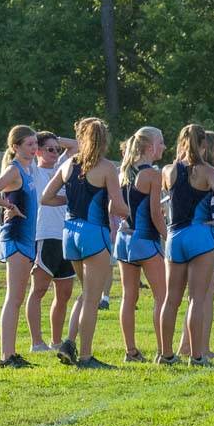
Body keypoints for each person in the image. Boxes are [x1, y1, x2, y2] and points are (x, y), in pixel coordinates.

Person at [41, 118, 128, 369]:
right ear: (104, 140)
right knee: (93, 297)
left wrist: (68, 203)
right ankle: (86, 357)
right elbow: (118, 206)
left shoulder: (68, 163)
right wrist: (130, 210)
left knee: (85, 292)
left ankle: (68, 342)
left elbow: (47, 197)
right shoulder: (106, 167)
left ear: (81, 137)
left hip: (70, 232)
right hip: (94, 233)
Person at [159, 124, 214, 366]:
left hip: (174, 238)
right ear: (203, 145)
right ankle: (197, 356)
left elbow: (166, 201)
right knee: (196, 300)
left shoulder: (168, 170)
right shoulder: (207, 171)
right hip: (200, 235)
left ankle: (166, 354)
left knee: (171, 299)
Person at [0, 125, 41, 368]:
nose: (34, 148)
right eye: (29, 144)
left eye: (36, 143)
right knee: (14, 298)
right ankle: (6, 356)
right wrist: (9, 206)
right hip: (15, 237)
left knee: (17, 297)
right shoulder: (14, 170)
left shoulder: (28, 169)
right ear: (15, 147)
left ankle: (11, 353)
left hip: (26, 239)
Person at [113, 126, 167, 363]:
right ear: (149, 147)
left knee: (128, 296)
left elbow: (113, 208)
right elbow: (155, 213)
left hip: (124, 239)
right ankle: (163, 351)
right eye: (161, 142)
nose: (164, 147)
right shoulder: (152, 175)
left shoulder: (123, 171)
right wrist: (168, 236)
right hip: (145, 239)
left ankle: (131, 351)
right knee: (162, 297)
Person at [26, 131, 78, 353]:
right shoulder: (33, 171)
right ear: (37, 150)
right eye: (49, 149)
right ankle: (37, 342)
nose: (55, 153)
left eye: (57, 150)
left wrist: (55, 140)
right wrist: (35, 138)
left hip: (65, 236)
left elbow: (77, 145)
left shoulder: (62, 168)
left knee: (64, 293)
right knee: (38, 290)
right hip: (45, 236)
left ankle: (56, 341)